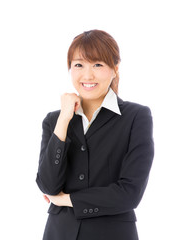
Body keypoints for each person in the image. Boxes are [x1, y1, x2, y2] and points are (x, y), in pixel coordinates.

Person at [35, 29, 154, 240]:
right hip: (59, 233)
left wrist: (67, 199)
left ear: (115, 69)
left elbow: (129, 194)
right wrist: (64, 118)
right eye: (78, 65)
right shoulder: (54, 120)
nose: (88, 75)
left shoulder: (136, 117)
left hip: (113, 234)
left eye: (98, 64)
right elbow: (48, 185)